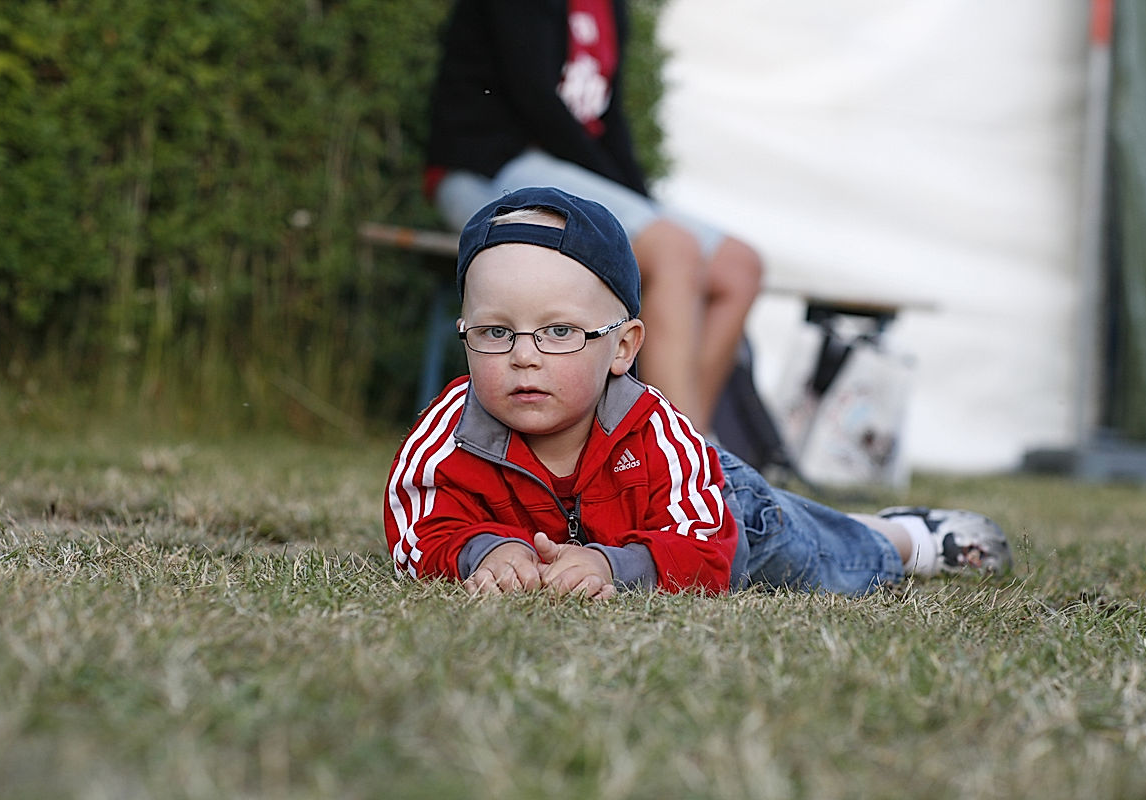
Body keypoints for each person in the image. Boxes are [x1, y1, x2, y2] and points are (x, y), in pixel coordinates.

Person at [383, 187, 1012, 597]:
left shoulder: (656, 429)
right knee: (821, 534)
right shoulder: (449, 435)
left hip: (730, 518)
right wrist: (481, 552)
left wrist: (615, 567)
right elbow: (416, 524)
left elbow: (707, 547)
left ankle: (905, 538)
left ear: (623, 348)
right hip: (667, 526)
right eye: (495, 331)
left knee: (828, 560)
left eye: (558, 331)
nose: (523, 354)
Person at [422, 0, 763, 431]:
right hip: (486, 165)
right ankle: (673, 460)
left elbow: (607, 122)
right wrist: (631, 208)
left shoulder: (608, 6)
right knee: (673, 250)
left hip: (562, 165)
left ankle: (691, 444)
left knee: (739, 267)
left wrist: (641, 203)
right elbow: (537, 103)